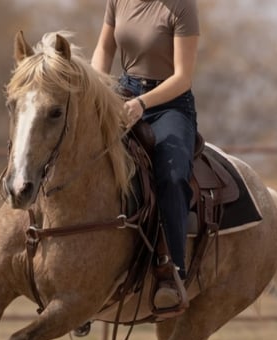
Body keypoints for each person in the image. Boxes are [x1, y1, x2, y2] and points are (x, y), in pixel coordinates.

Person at [92, 0, 199, 312]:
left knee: (173, 175)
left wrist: (142, 104)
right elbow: (104, 50)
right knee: (78, 149)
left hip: (170, 104)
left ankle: (173, 271)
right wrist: (97, 90)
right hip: (123, 93)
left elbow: (183, 78)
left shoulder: (182, 7)